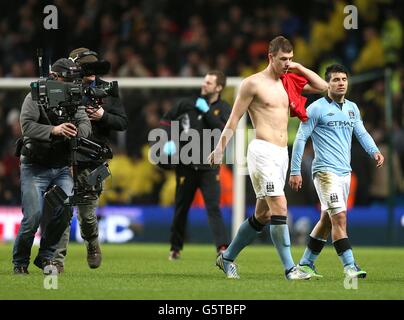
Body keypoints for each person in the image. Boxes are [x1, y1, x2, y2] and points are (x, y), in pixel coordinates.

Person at [208, 36, 328, 280]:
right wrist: (219, 148)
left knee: (262, 214)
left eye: (290, 59)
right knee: (280, 206)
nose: (287, 63)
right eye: (283, 59)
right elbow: (233, 119)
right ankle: (290, 269)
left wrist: (299, 67)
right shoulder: (252, 84)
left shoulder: (289, 81)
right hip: (261, 151)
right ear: (270, 57)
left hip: (281, 154)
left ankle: (227, 257)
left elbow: (323, 87)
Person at [289, 64, 384, 278]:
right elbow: (301, 139)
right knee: (339, 217)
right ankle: (350, 266)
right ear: (327, 84)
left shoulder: (352, 108)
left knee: (327, 219)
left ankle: (305, 264)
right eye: (335, 80)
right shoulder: (316, 109)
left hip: (344, 172)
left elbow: (361, 132)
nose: (340, 83)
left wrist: (374, 151)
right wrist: (295, 170)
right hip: (325, 172)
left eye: (344, 79)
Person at [12, 58, 92, 274]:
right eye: (68, 79)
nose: (72, 84)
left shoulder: (74, 97)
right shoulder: (35, 96)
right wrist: (54, 130)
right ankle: (20, 261)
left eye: (75, 80)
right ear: (55, 77)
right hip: (35, 165)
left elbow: (86, 125)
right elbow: (26, 126)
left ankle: (46, 257)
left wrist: (75, 130)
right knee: (33, 217)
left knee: (65, 211)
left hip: (61, 166)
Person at [52, 48, 128, 271]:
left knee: (86, 216)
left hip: (93, 158)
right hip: (64, 156)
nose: (92, 72)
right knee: (62, 210)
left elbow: (122, 123)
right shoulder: (64, 86)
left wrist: (103, 116)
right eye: (87, 67)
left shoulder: (107, 89)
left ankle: (92, 244)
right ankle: (57, 260)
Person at [159, 70, 231, 260]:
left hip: (209, 167)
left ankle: (222, 248)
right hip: (186, 166)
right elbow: (166, 121)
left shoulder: (223, 108)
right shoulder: (186, 104)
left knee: (213, 207)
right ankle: (175, 248)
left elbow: (223, 131)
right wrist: (167, 140)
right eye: (204, 81)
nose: (204, 85)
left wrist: (207, 112)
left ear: (219, 87)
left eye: (209, 83)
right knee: (181, 208)